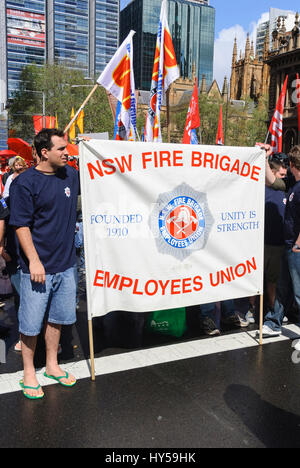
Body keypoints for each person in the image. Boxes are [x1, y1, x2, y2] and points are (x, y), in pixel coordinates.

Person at [9, 128, 79, 399]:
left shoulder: (71, 175)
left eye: (67, 148)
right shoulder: (25, 183)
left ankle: (52, 365)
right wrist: (34, 261)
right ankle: (29, 372)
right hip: (37, 269)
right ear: (43, 152)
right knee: (30, 323)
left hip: (66, 265)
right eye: (61, 149)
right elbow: (21, 225)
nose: (66, 152)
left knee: (58, 319)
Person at [258, 145, 300, 337]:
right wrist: (265, 158)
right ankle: (274, 322)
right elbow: (272, 179)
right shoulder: (292, 183)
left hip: (296, 247)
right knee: (283, 288)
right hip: (288, 245)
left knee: (298, 291)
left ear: (291, 164)